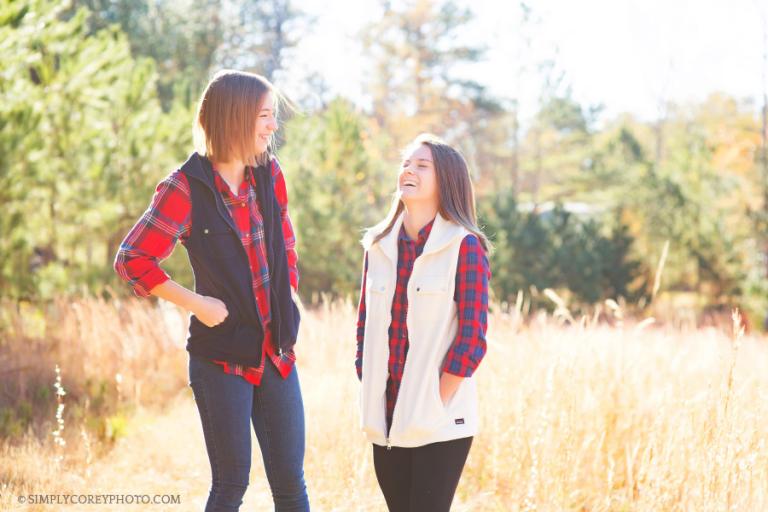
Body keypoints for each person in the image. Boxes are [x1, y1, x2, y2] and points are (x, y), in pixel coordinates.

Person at [114, 70, 309, 512]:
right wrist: (196, 304)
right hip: (220, 357)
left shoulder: (269, 174)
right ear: (236, 118)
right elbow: (132, 260)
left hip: (276, 353)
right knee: (230, 486)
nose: (272, 126)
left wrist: (287, 298)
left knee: (291, 484)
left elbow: (286, 243)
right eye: (264, 115)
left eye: (272, 116)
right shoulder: (184, 187)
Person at [355, 133, 491, 511]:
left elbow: (472, 340)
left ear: (445, 180)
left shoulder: (465, 246)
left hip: (441, 422)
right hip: (386, 417)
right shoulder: (378, 245)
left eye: (421, 165)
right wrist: (369, 385)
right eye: (405, 163)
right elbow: (364, 327)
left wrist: (434, 401)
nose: (408, 170)